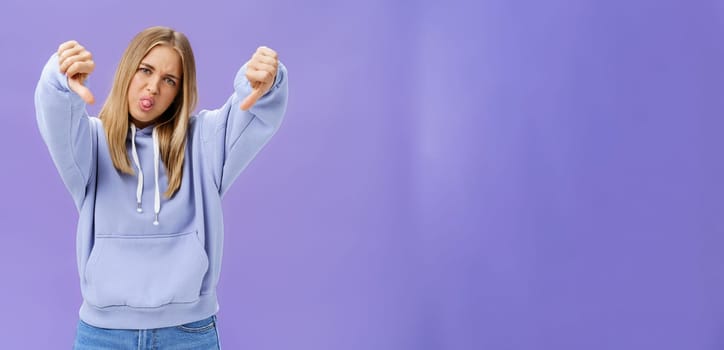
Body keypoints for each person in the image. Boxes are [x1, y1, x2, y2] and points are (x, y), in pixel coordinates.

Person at [34, 26, 288, 349]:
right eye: (146, 70)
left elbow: (251, 111)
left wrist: (265, 84)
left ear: (179, 92)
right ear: (128, 69)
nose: (153, 87)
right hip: (103, 335)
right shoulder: (91, 144)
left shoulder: (202, 142)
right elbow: (57, 122)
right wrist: (59, 83)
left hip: (187, 333)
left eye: (169, 80)